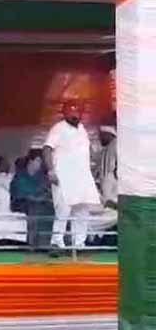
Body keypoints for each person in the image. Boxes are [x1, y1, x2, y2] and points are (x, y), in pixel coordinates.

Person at [44, 102, 102, 250]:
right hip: (64, 176)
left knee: (82, 211)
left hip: (82, 176)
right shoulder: (58, 128)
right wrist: (50, 170)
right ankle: (57, 243)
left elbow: (87, 151)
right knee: (63, 209)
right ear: (64, 113)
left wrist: (93, 164)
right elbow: (47, 149)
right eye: (71, 112)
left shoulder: (82, 129)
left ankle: (79, 244)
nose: (74, 115)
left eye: (77, 112)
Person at [96, 125, 117, 208]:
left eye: (102, 136)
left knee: (108, 202)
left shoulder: (116, 143)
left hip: (111, 177)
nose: (100, 138)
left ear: (109, 135)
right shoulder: (106, 147)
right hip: (107, 177)